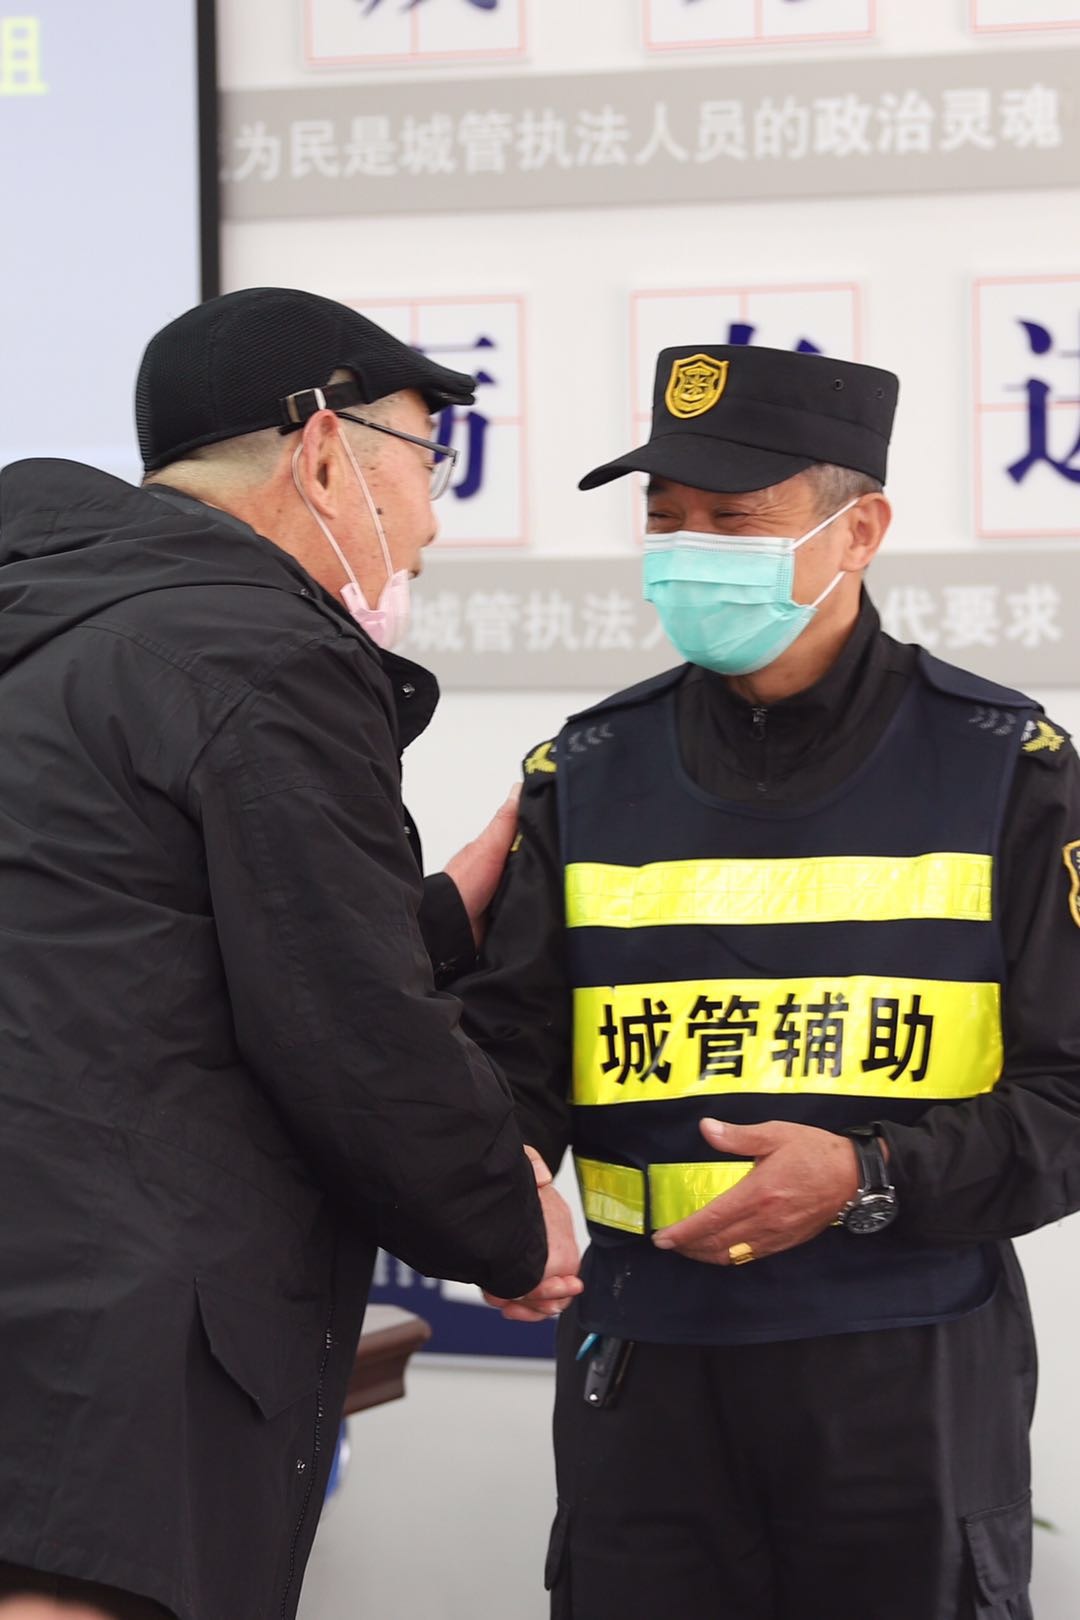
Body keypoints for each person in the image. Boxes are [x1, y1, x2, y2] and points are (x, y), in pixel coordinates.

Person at [463, 342, 1080, 1618]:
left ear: (861, 531)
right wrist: (498, 1174)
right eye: (665, 518)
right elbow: (510, 1052)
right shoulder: (587, 772)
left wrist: (867, 1176)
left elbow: (1072, 1097)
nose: (689, 551)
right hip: (646, 1367)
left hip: (902, 1370)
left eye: (733, 518)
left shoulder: (1006, 771)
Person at [0, 287, 580, 1620]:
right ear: (324, 453)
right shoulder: (261, 654)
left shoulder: (48, 630)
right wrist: (509, 1224)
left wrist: (431, 919)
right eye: (426, 463)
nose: (430, 524)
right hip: (107, 1374)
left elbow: (127, 941)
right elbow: (351, 1038)